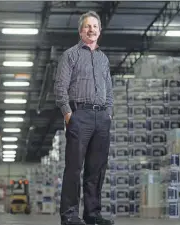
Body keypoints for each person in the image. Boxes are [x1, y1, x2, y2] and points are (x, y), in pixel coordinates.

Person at [54, 10, 114, 225]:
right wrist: (68, 113)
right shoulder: (71, 55)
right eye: (87, 26)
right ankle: (69, 215)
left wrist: (108, 113)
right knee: (74, 168)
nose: (91, 30)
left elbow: (109, 89)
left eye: (95, 27)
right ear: (80, 31)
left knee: (96, 169)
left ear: (100, 31)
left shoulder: (103, 59)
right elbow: (60, 87)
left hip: (101, 118)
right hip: (80, 115)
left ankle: (92, 214)